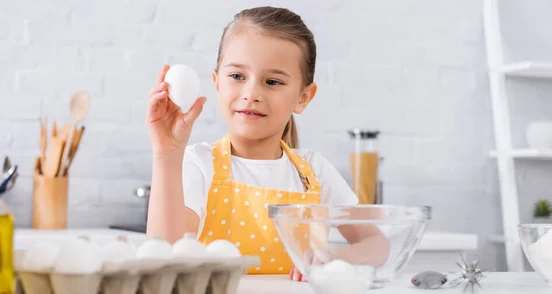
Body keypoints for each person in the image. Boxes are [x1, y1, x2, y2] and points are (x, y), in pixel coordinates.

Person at [145, 6, 390, 281]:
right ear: (217, 82)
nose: (251, 94)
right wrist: (167, 154)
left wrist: (337, 258)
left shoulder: (314, 173)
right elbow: (163, 256)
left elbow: (377, 244)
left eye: (272, 81)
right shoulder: (199, 165)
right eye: (237, 76)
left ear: (303, 97)